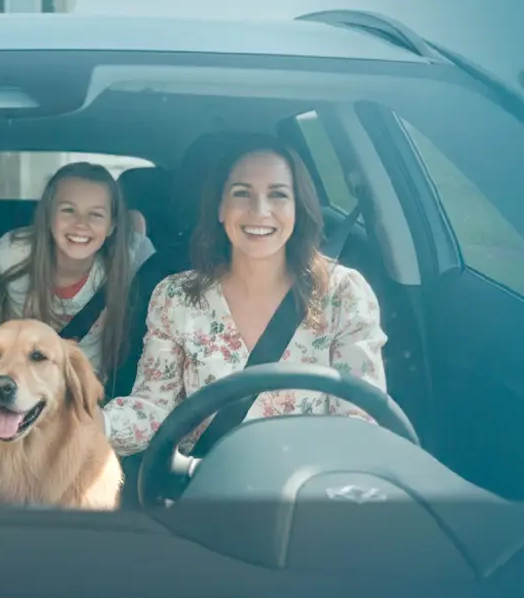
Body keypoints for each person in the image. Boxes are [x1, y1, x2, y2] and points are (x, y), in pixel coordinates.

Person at [103, 138, 387, 457]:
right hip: (204, 485)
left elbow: (360, 422)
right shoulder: (176, 296)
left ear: (298, 207)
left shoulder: (343, 294)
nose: (259, 211)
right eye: (242, 193)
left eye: (278, 194)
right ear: (220, 208)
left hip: (305, 488)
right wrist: (90, 428)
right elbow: (153, 410)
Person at [0, 162, 147, 391]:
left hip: (86, 388)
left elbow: (150, 254)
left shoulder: (126, 259)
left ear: (112, 225)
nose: (81, 224)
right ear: (47, 216)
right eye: (68, 210)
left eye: (96, 214)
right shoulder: (12, 254)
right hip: (17, 382)